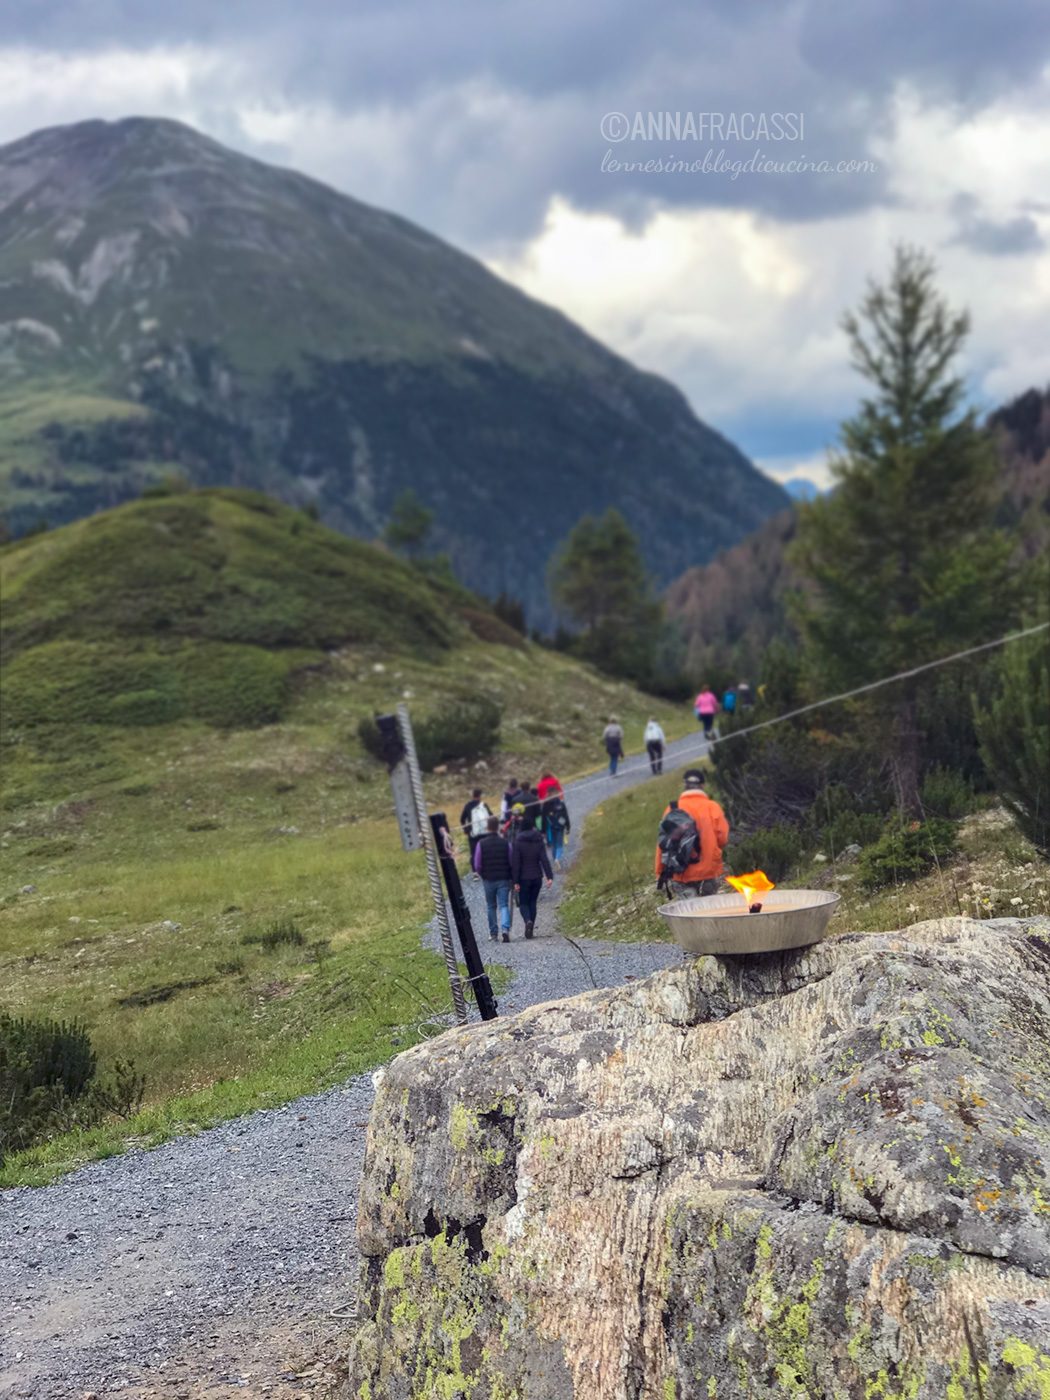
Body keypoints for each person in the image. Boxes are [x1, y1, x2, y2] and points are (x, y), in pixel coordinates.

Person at [654, 768, 729, 898]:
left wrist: (660, 870)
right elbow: (723, 838)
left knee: (690, 911)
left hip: (680, 871)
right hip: (708, 870)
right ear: (703, 785)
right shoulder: (712, 807)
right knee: (708, 908)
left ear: (685, 785)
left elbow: (663, 843)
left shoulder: (673, 808)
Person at [510, 813, 553, 939]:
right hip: (536, 877)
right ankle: (531, 927)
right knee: (533, 902)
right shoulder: (538, 839)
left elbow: (516, 863)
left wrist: (515, 881)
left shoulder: (517, 842)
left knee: (523, 903)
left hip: (523, 878)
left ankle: (527, 920)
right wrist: (549, 876)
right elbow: (544, 859)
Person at [473, 815, 514, 942]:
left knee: (491, 906)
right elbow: (511, 860)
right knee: (503, 905)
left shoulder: (481, 844)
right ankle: (505, 929)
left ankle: (494, 933)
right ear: (498, 827)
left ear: (487, 827)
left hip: (488, 879)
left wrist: (482, 874)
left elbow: (477, 864)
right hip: (503, 878)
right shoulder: (505, 843)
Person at [459, 788, 490, 877]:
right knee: (485, 851)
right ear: (480, 796)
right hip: (485, 833)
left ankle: (475, 873)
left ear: (472, 795)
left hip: (473, 834)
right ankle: (486, 869)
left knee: (474, 852)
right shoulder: (483, 805)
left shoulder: (467, 806)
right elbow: (491, 816)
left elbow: (462, 819)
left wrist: (466, 830)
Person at [542, 790, 571, 869]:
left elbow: (543, 819)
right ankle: (557, 858)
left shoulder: (546, 805)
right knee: (560, 844)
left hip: (550, 827)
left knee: (553, 844)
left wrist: (543, 830)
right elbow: (566, 816)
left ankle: (554, 858)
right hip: (560, 826)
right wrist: (568, 826)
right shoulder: (561, 804)